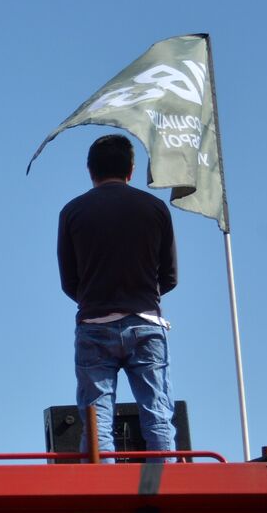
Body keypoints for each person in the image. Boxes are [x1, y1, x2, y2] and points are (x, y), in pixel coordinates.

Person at [56, 134, 178, 458]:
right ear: (131, 169)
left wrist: (95, 298)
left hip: (94, 323)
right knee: (157, 413)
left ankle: (104, 494)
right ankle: (168, 488)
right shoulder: (155, 208)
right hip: (146, 321)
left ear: (90, 170)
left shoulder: (72, 212)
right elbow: (169, 276)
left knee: (97, 422)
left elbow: (69, 280)